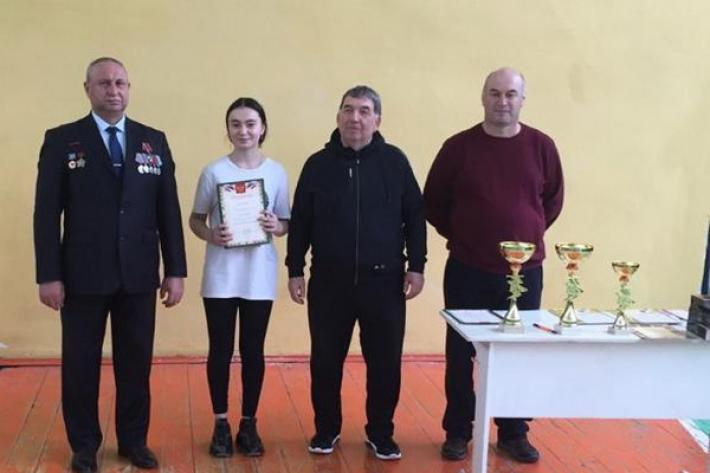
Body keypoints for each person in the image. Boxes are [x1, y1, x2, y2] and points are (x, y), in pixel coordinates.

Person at [33, 57, 187, 473]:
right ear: (87, 89)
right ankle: (84, 445)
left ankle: (134, 441)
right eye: (104, 83)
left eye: (120, 83)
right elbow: (46, 214)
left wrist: (175, 269)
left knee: (135, 364)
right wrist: (48, 275)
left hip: (138, 274)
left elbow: (168, 210)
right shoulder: (62, 140)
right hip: (81, 275)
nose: (113, 90)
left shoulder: (153, 140)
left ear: (129, 88)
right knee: (80, 365)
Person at [423, 67, 564, 464]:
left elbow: (552, 201)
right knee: (460, 353)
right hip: (467, 268)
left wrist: (525, 235)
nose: (503, 101)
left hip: (525, 273)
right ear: (483, 97)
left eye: (510, 94)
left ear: (522, 100)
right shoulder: (458, 148)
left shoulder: (542, 147)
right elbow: (433, 201)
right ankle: (457, 431)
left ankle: (513, 432)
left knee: (518, 353)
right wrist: (465, 234)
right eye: (495, 93)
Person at [286, 85, 427, 461]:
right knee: (325, 361)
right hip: (329, 283)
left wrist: (417, 266)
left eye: (364, 111)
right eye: (348, 110)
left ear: (377, 119)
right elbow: (300, 221)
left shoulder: (395, 162)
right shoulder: (317, 165)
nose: (355, 118)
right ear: (338, 117)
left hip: (384, 283)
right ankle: (326, 429)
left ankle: (381, 432)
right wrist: (295, 268)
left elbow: (415, 217)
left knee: (385, 363)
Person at [189, 97, 290, 458]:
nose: (243, 131)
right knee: (220, 350)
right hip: (220, 274)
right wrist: (210, 234)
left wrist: (276, 225)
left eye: (250, 123)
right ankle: (221, 423)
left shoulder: (276, 172)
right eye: (236, 124)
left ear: (263, 128)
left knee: (252, 350)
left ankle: (249, 423)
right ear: (228, 129)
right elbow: (196, 219)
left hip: (258, 275)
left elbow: (286, 222)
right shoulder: (214, 171)